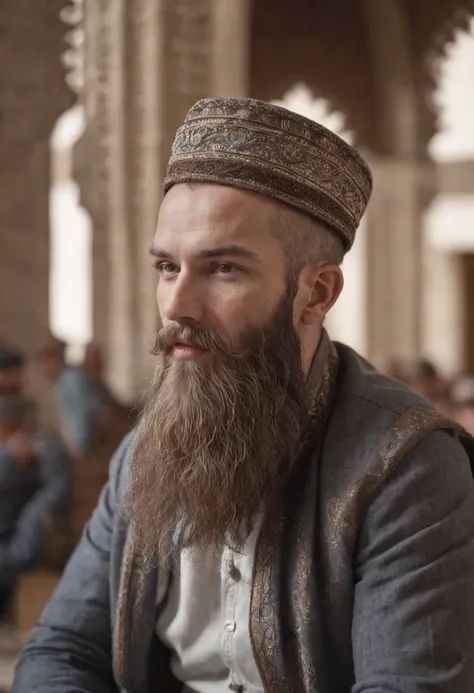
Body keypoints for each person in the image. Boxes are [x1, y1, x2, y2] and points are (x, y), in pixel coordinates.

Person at [13, 98, 474, 692]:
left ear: (317, 293)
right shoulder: (146, 452)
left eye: (223, 269)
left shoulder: (405, 469)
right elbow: (62, 649)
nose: (177, 305)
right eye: (166, 267)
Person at [0, 394, 71, 622]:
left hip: (17, 541)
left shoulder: (44, 448)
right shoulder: (10, 454)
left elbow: (56, 491)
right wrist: (9, 459)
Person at [36, 337, 102, 456]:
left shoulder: (70, 381)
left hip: (82, 449)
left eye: (45, 361)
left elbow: (79, 418)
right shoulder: (64, 381)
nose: (42, 368)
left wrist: (77, 451)